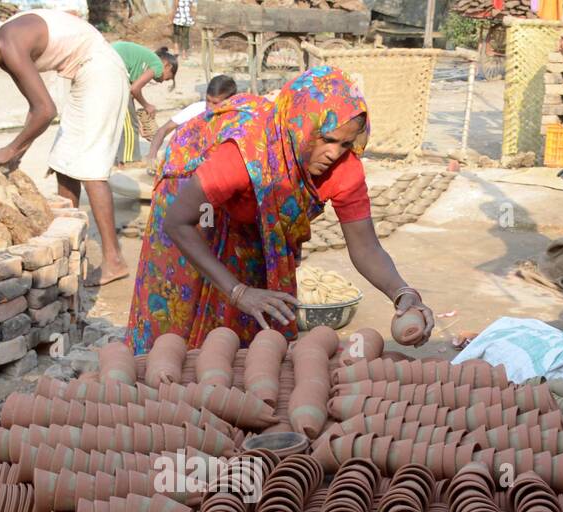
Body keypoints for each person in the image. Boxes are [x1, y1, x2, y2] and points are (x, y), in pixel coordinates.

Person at [126, 66, 434, 354]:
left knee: (253, 316)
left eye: (345, 143)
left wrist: (403, 293)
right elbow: (180, 221)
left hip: (246, 212)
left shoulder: (343, 168)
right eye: (327, 140)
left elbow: (366, 247)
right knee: (180, 305)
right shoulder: (245, 154)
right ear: (302, 126)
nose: (334, 153)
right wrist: (237, 292)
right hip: (193, 199)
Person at [0, 12, 130, 283]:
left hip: (100, 71)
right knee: (65, 163)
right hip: (84, 74)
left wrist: (10, 149)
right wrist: (18, 154)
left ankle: (115, 261)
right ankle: (67, 245)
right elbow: (35, 108)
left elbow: (46, 110)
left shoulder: (9, 42)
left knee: (89, 167)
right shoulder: (2, 50)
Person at [148, 74, 238, 168]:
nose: (209, 106)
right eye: (208, 100)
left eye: (215, 103)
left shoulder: (235, 118)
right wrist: (152, 156)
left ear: (229, 101)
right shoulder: (196, 109)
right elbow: (163, 129)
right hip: (183, 161)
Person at [112, 42, 178, 166]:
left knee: (122, 120)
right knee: (131, 125)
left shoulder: (141, 64)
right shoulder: (157, 65)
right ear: (167, 66)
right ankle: (129, 160)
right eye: (168, 78)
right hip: (112, 66)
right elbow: (134, 89)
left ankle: (118, 158)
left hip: (106, 64)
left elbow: (130, 95)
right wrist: (147, 105)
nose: (163, 81)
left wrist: (138, 121)